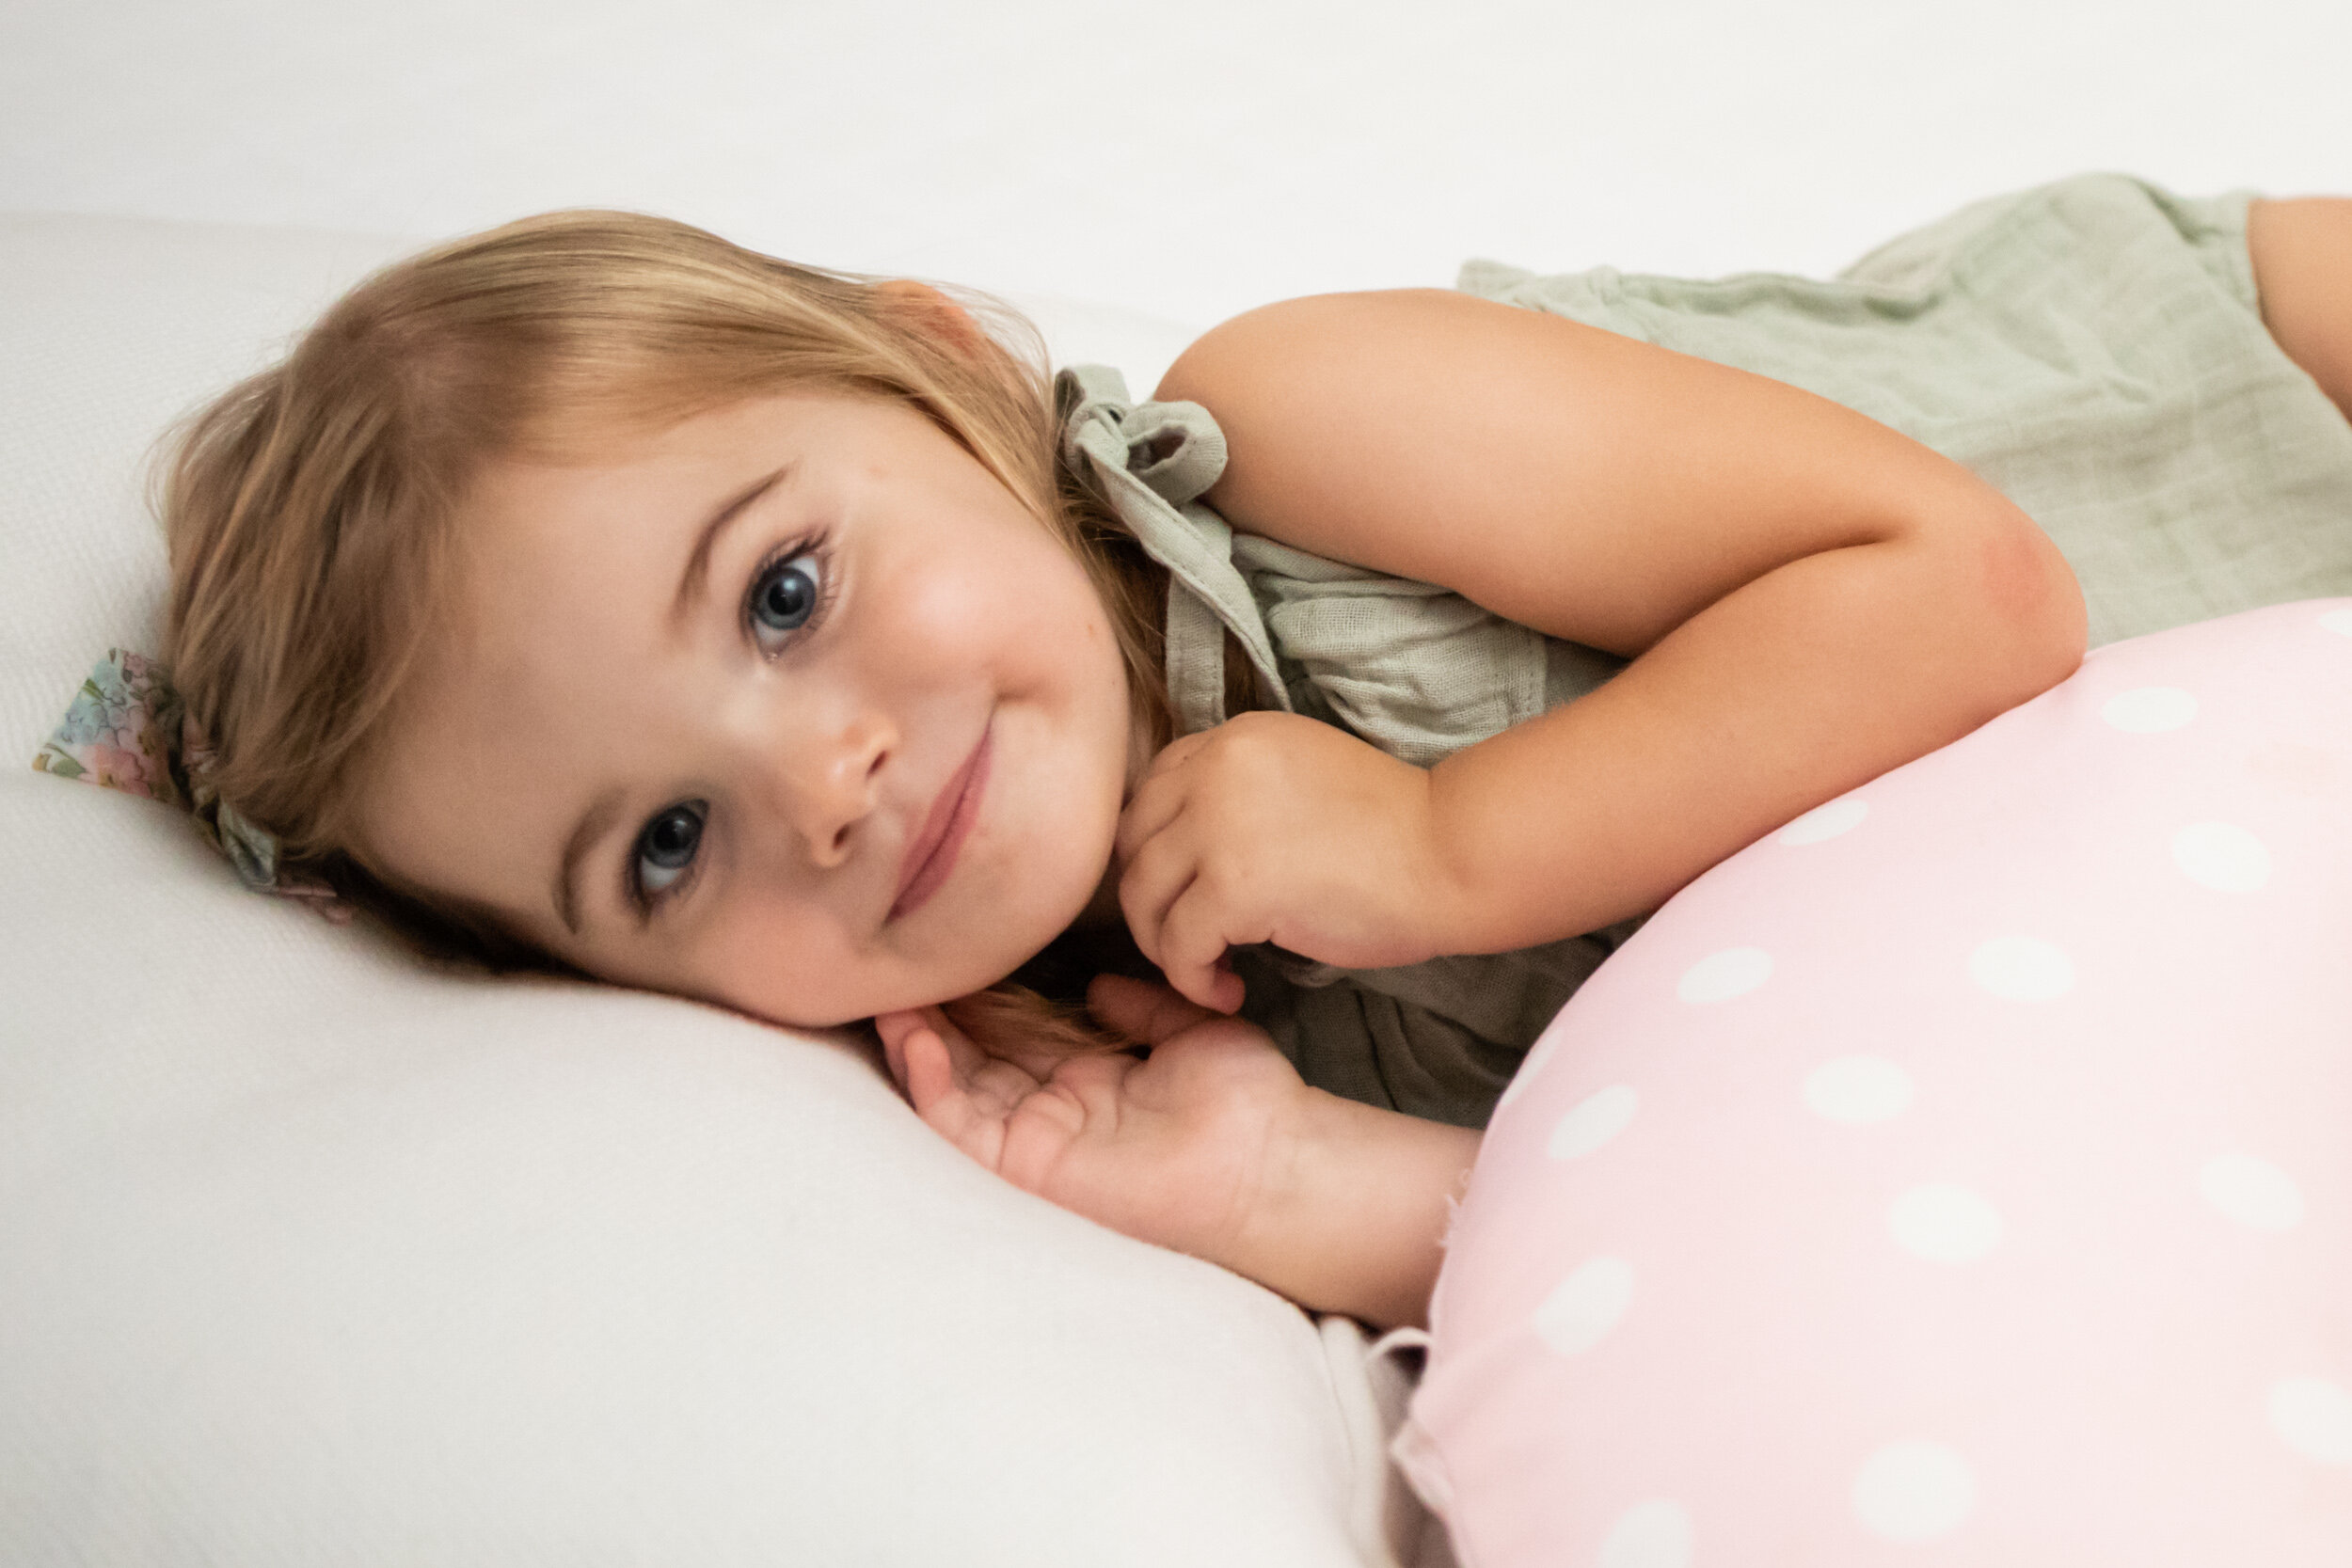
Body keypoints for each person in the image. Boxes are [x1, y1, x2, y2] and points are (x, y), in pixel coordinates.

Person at [151, 174, 2352, 1330]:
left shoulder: (1291, 434)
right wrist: (1286, 1192)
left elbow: (1961, 588)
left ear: (939, 371)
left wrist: (1442, 839)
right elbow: (1740, 1233)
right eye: (658, 847)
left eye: (784, 590)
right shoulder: (1091, 1060)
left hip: (2242, 412)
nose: (810, 785)